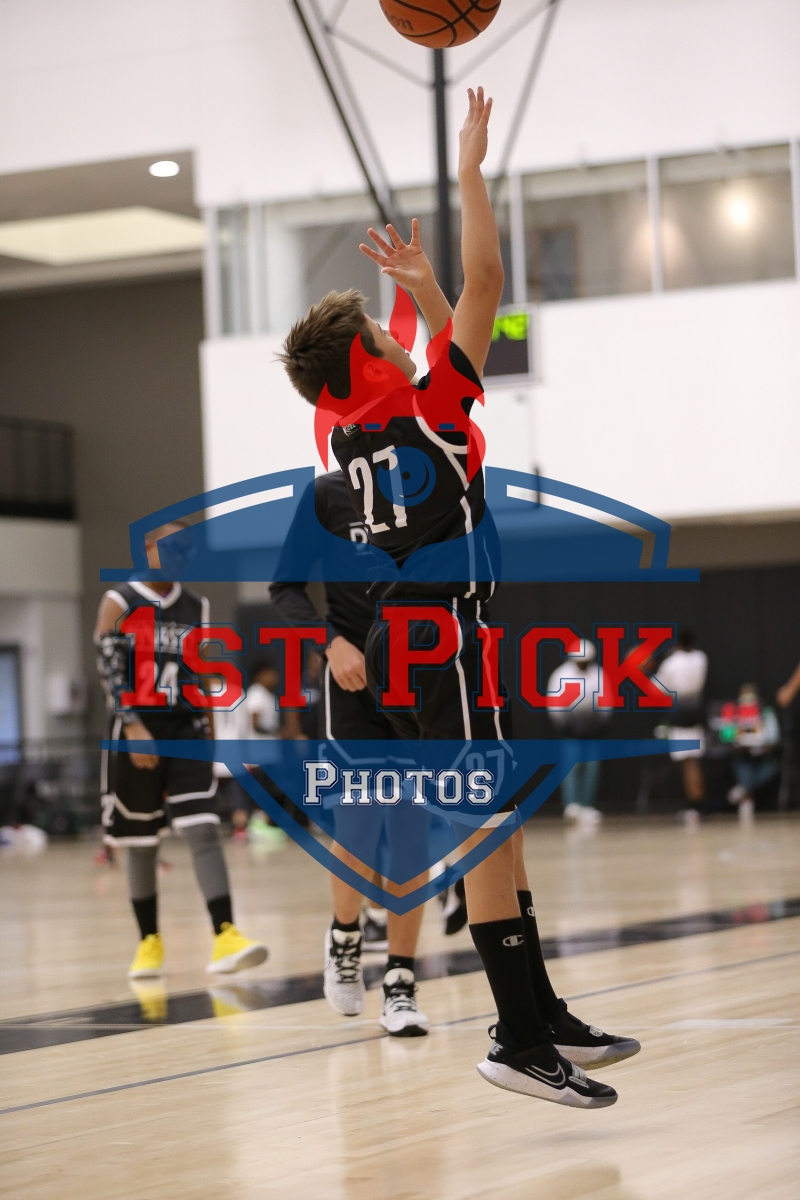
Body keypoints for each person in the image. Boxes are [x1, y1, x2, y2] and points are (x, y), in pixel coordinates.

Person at [279, 88, 638, 1106]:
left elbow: (449, 355)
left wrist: (425, 297)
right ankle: (517, 1038)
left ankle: (541, 1011)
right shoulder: (433, 413)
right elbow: (489, 289)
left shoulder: (345, 440)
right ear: (372, 364)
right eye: (383, 335)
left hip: (410, 648)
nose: (400, 338)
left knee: (501, 829)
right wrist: (470, 175)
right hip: (445, 646)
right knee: (487, 833)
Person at [271, 469, 431, 1037]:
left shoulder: (431, 487)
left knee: (411, 831)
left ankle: (401, 983)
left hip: (418, 677)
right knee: (359, 826)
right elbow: (285, 586)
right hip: (352, 681)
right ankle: (344, 938)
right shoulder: (327, 495)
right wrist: (329, 643)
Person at [95, 520, 268, 979]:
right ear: (147, 549)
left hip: (185, 730)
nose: (181, 556)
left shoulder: (196, 605)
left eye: (187, 550)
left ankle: (226, 934)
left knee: (203, 828)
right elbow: (109, 668)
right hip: (137, 730)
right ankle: (148, 942)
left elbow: (201, 675)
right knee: (141, 842)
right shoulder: (120, 600)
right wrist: (133, 724)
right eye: (172, 547)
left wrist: (211, 738)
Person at [546, 642, 610, 827]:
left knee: (591, 768)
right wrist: (564, 726)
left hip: (592, 731)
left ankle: (587, 805)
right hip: (570, 731)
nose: (582, 664)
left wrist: (599, 724)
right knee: (571, 767)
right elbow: (554, 704)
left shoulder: (598, 674)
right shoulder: (561, 675)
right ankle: (571, 805)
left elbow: (606, 702)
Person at [655, 628, 708, 825]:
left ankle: (695, 806)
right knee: (692, 761)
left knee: (688, 763)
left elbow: (657, 687)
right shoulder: (701, 658)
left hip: (680, 714)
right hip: (695, 713)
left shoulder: (671, 663)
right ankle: (695, 805)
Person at [723, 683, 781, 821]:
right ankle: (746, 800)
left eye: (751, 697)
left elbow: (773, 736)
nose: (747, 700)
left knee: (771, 767)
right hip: (742, 752)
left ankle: (743, 789)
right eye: (744, 697)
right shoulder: (734, 711)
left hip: (764, 754)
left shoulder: (765, 712)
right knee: (743, 764)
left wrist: (761, 739)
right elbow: (726, 735)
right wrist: (736, 734)